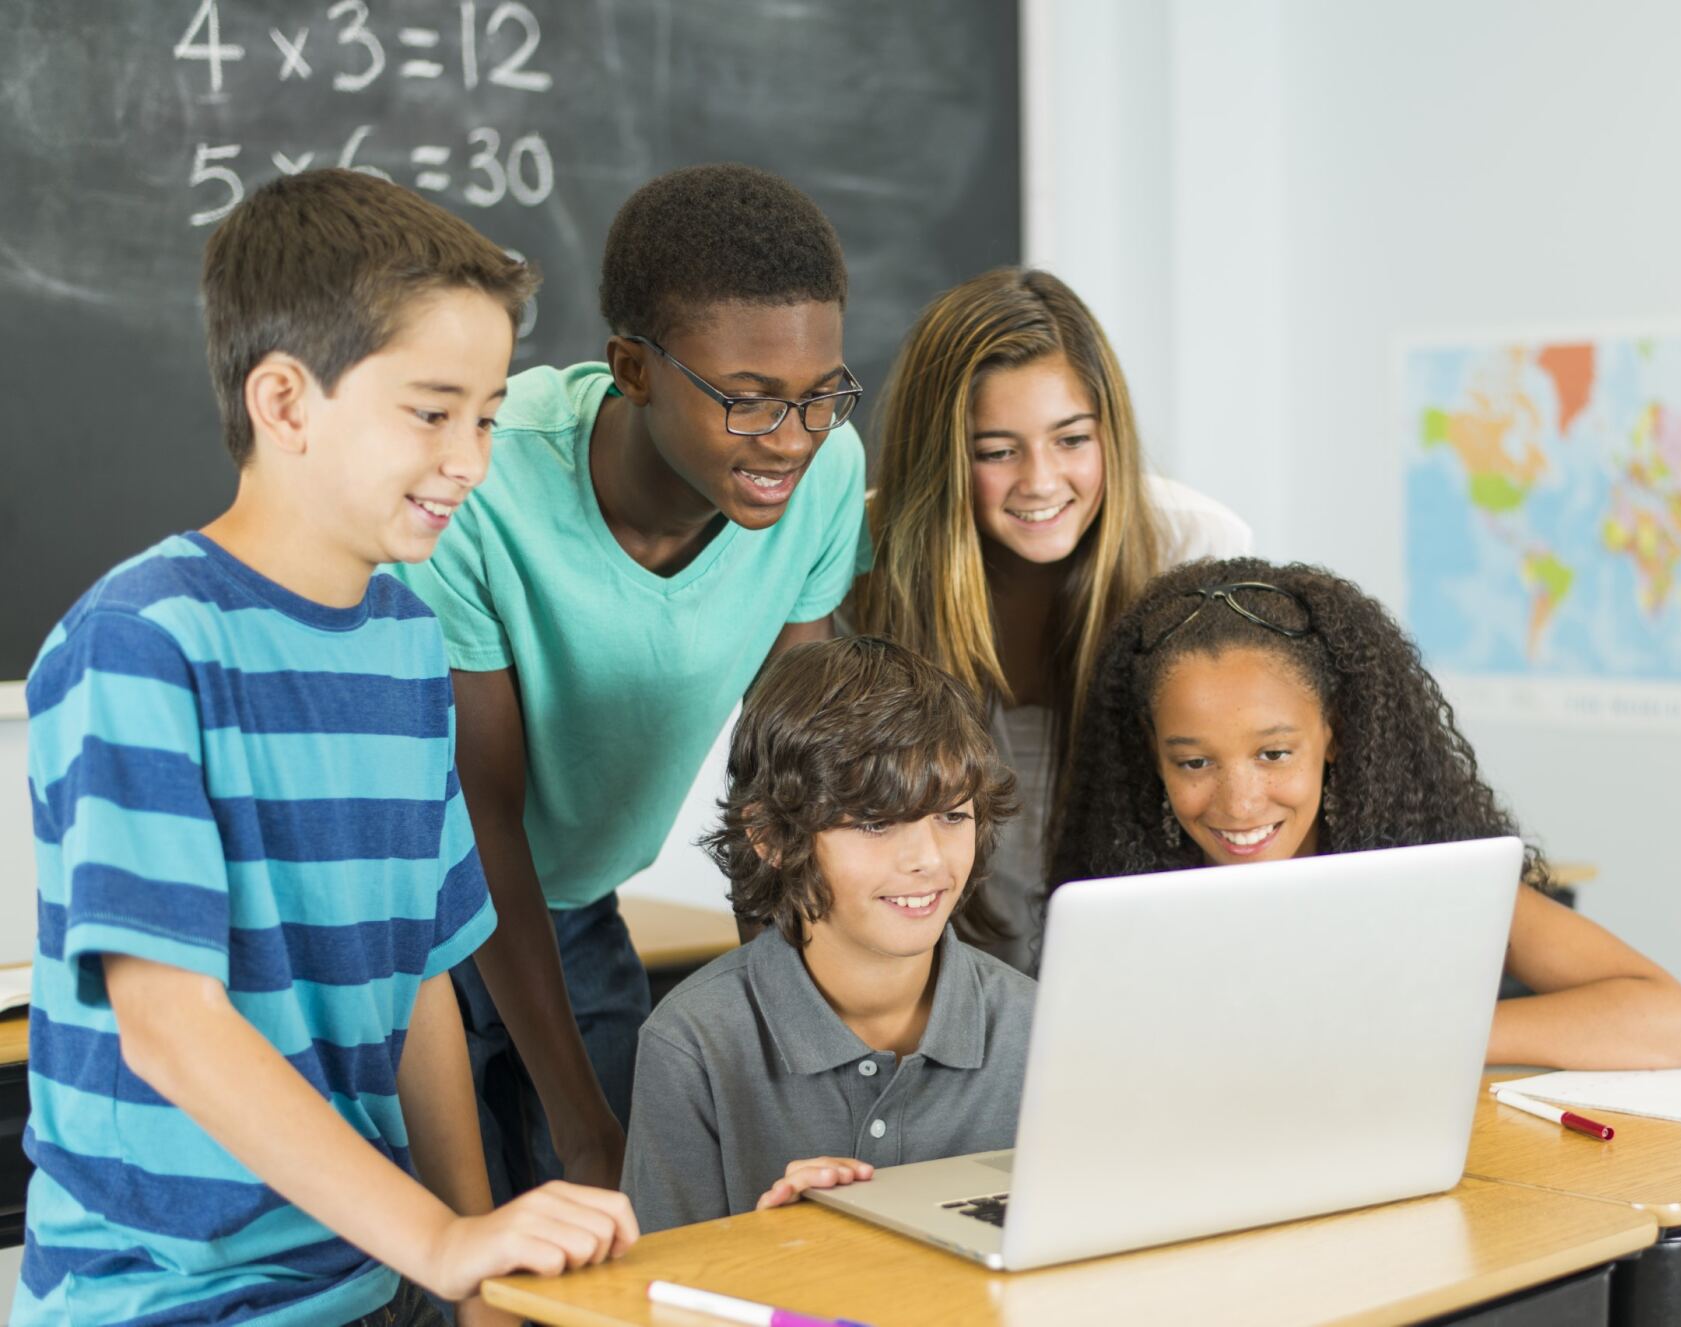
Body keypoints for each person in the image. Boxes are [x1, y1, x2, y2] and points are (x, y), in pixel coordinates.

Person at [15, 169, 635, 1327]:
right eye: (432, 410)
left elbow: (424, 987)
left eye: (489, 416)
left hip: (363, 1277)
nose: (472, 459)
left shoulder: (404, 641)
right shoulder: (140, 644)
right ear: (287, 404)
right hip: (170, 1302)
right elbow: (169, 1025)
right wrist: (444, 1237)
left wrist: (475, 1277)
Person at [394, 164, 869, 1199]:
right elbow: (481, 817)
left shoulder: (824, 476)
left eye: (819, 394)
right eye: (748, 402)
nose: (789, 440)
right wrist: (578, 1121)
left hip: (571, 910)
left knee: (629, 1246)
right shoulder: (483, 481)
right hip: (416, 934)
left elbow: (781, 783)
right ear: (631, 368)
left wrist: (792, 1052)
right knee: (444, 1275)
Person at [1050, 557, 1681, 1070]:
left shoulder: (1415, 870)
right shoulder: (1121, 909)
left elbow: (1680, 1025)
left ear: (1334, 733)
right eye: (1195, 762)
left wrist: (1412, 1039)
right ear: (1153, 754)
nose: (1240, 802)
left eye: (1275, 753)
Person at [851, 268, 1248, 971]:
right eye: (998, 451)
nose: (1040, 480)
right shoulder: (857, 564)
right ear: (942, 459)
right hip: (938, 980)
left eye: (1071, 439)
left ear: (1109, 434)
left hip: (1148, 967)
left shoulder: (1196, 547)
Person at [621, 637, 1032, 1232]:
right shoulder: (692, 1043)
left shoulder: (1040, 1030)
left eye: (951, 816)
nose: (926, 858)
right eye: (874, 822)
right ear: (772, 837)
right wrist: (776, 1252)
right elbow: (653, 1306)